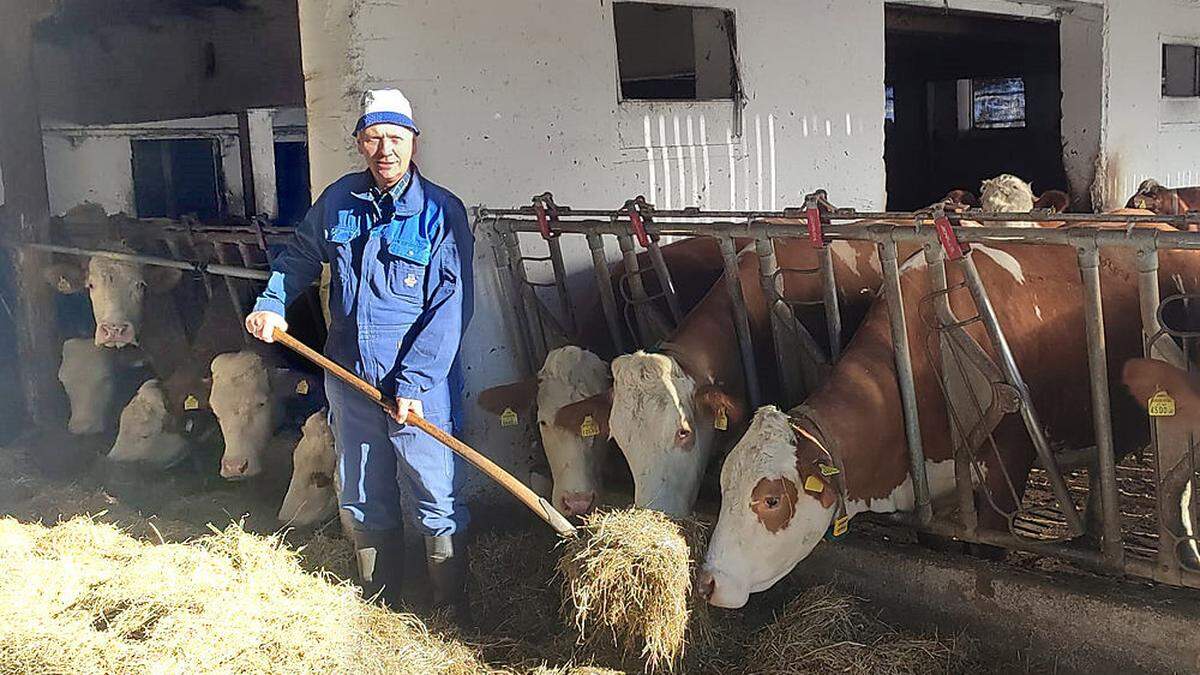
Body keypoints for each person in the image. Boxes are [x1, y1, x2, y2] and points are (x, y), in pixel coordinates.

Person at [245, 89, 474, 617]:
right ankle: (380, 601)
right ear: (359, 143)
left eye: (395, 138)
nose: (384, 150)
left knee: (434, 491)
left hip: (420, 384)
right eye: (373, 138)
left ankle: (451, 609)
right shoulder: (339, 201)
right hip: (348, 375)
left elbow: (451, 306)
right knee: (363, 489)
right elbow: (300, 255)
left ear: (414, 142)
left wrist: (413, 383)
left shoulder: (440, 212)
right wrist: (274, 301)